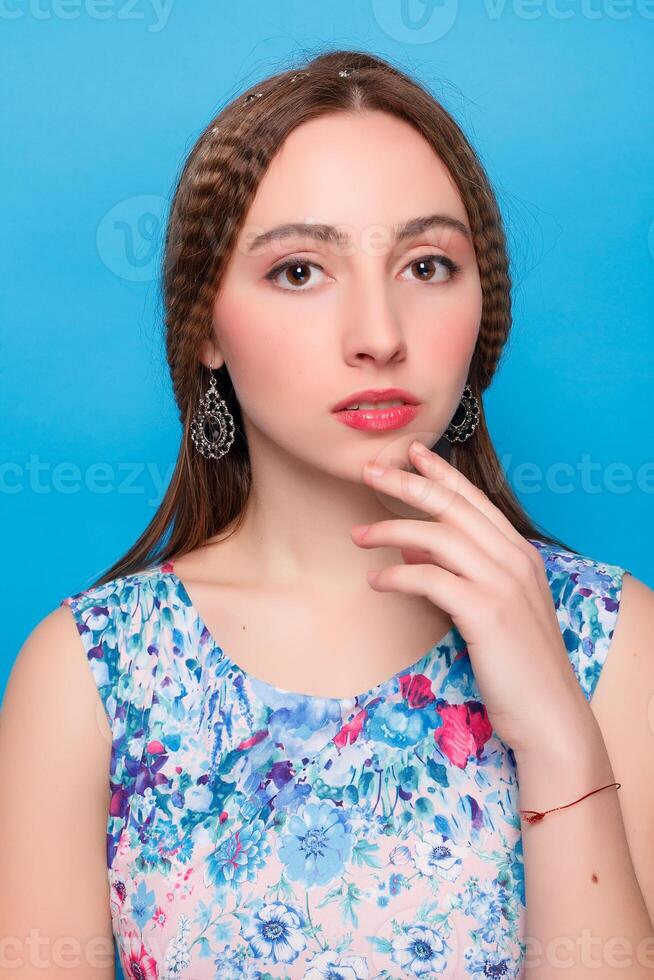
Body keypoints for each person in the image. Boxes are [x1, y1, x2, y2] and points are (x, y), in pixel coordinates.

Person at [1, 48, 652, 980]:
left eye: (428, 264)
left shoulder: (614, 640)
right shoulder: (93, 673)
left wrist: (556, 735)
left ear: (482, 312)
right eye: (301, 271)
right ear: (206, 330)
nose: (380, 336)